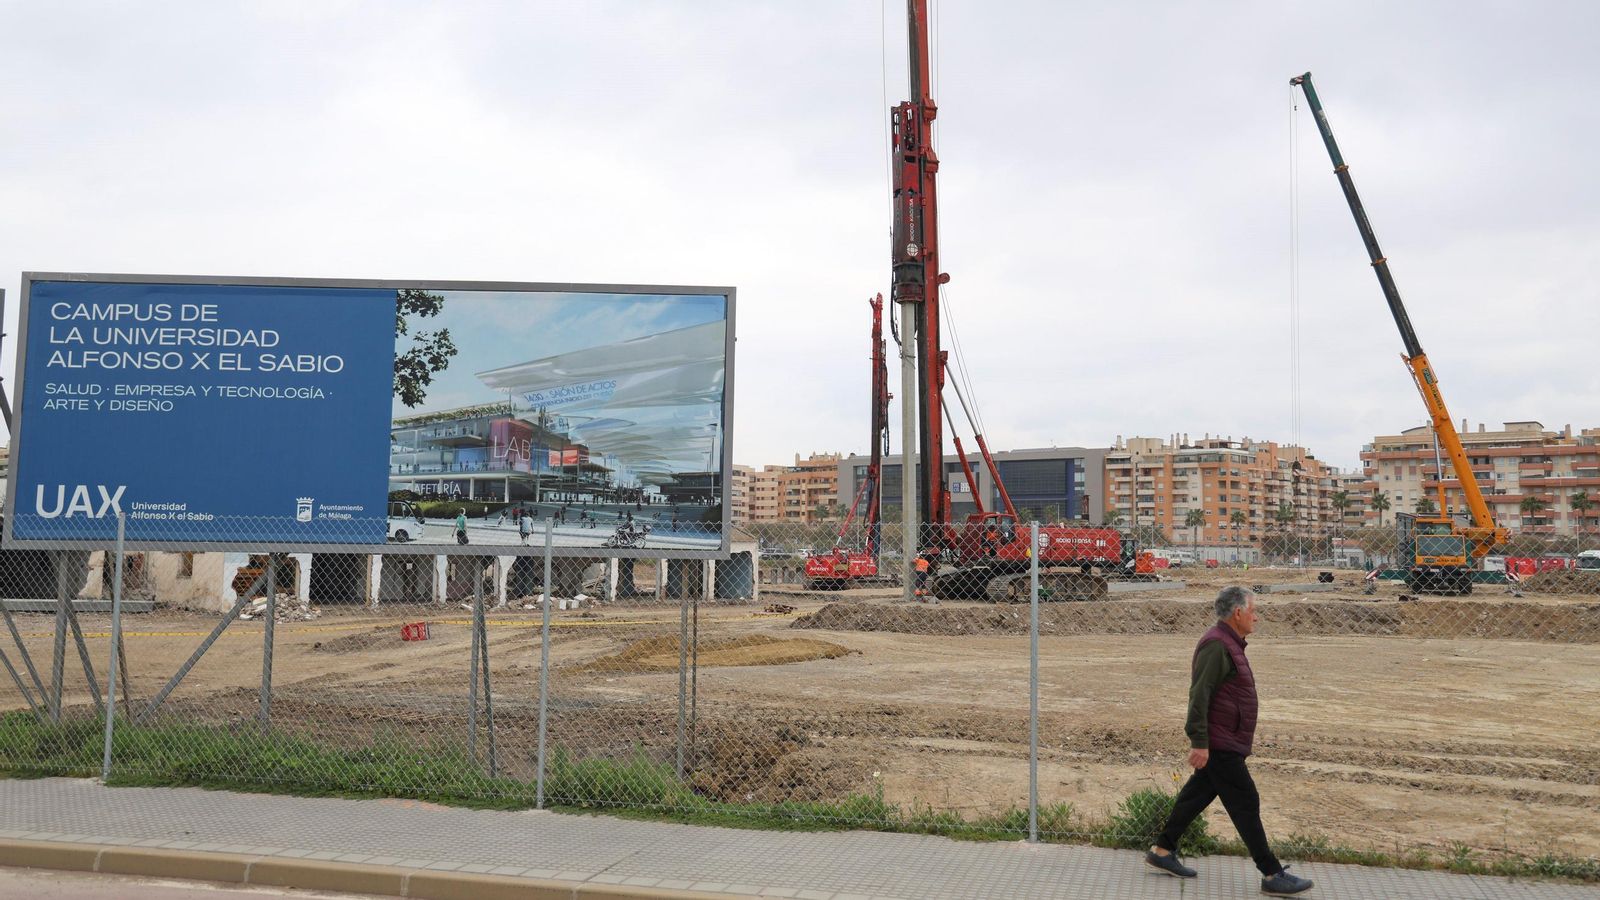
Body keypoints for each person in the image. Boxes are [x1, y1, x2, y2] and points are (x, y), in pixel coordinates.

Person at [1144, 586, 1313, 896]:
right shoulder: (1217, 645)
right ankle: (1272, 874)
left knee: (1196, 795)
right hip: (1221, 742)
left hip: (1223, 738)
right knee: (1245, 801)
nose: (1256, 617)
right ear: (1238, 613)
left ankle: (1163, 850)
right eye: (1253, 611)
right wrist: (1199, 741)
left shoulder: (1229, 643)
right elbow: (1199, 694)